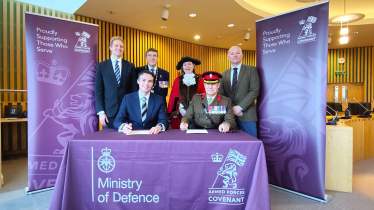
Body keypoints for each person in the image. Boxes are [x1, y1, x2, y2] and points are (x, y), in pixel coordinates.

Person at [95, 36, 138, 129]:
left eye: (121, 46)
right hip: (109, 113)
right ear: (110, 47)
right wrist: (101, 112)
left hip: (127, 112)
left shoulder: (130, 66)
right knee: (109, 139)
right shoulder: (101, 66)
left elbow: (134, 89)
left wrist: (134, 110)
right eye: (116, 45)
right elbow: (98, 91)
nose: (119, 48)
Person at [218, 46, 260, 137]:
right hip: (230, 115)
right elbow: (221, 94)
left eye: (237, 53)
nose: (235, 55)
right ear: (228, 57)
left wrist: (240, 107)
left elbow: (254, 90)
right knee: (232, 145)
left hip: (248, 113)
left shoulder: (251, 70)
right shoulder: (223, 74)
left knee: (251, 143)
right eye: (232, 54)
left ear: (242, 55)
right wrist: (233, 108)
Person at [167, 57, 205, 129]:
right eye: (184, 65)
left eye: (189, 64)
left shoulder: (200, 79)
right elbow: (173, 97)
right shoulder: (177, 80)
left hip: (196, 113)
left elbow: (203, 96)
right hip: (181, 113)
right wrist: (180, 109)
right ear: (182, 67)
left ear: (193, 66)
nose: (187, 66)